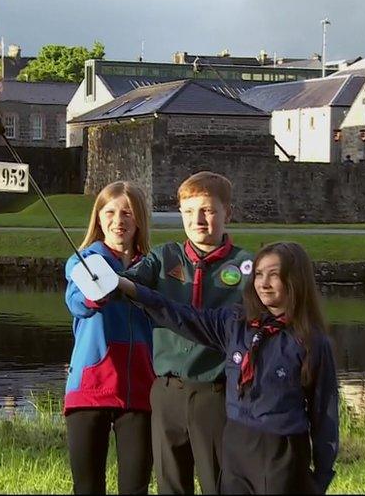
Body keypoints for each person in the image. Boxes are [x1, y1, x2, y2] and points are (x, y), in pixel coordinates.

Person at [114, 242, 339, 494]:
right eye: (259, 274)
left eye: (274, 275)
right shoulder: (236, 324)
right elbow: (182, 316)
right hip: (236, 447)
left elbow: (325, 412)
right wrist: (132, 289)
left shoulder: (311, 341)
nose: (263, 283)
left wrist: (321, 475)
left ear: (295, 280)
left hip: (281, 452)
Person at [123, 171, 253, 494]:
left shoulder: (246, 265)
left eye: (208, 210)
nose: (198, 220)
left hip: (216, 392)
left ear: (227, 213)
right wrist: (101, 280)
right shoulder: (164, 257)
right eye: (189, 211)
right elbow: (128, 281)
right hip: (168, 391)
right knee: (170, 483)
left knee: (218, 481)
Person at [64, 181, 155, 494]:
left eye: (128, 212)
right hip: (91, 387)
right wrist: (98, 292)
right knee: (88, 488)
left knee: (135, 487)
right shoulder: (83, 261)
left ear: (139, 219)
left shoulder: (153, 268)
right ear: (99, 218)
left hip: (140, 390)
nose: (119, 220)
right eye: (111, 212)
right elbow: (76, 301)